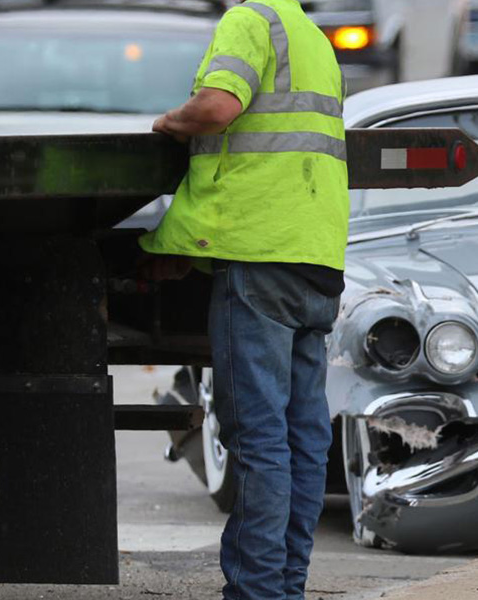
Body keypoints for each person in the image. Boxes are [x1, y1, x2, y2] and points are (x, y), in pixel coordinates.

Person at [139, 0, 350, 596]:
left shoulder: (249, 21)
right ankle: (285, 584)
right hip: (314, 253)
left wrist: (170, 122)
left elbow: (217, 108)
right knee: (302, 435)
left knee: (257, 435)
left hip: (259, 257)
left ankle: (257, 590)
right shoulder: (311, 36)